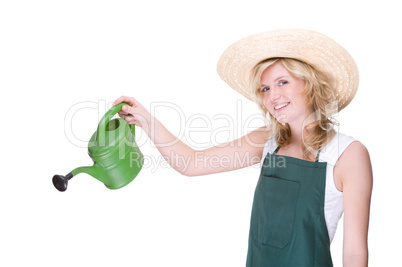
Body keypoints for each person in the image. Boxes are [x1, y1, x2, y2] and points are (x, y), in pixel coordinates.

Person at [113, 29, 373, 267]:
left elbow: (354, 254)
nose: (272, 97)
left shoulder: (347, 154)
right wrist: (146, 119)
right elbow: (191, 163)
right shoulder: (267, 142)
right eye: (265, 88)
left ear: (309, 84)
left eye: (283, 82)